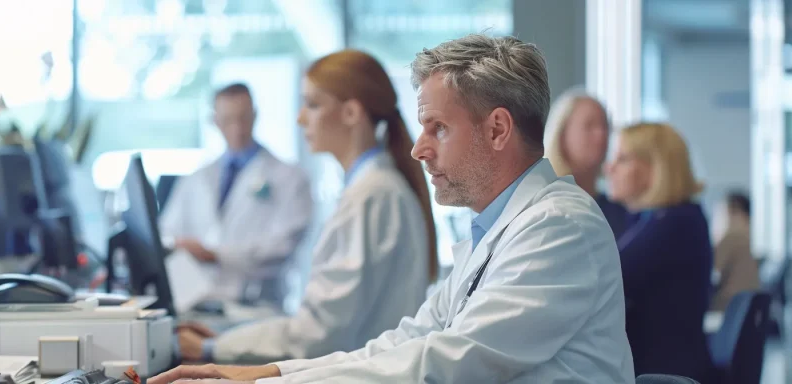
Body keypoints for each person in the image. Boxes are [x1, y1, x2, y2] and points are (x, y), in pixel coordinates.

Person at [151, 33, 634, 384]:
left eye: (438, 128)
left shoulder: (558, 226)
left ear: (498, 130)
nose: (418, 149)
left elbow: (449, 362)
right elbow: (408, 341)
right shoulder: (493, 231)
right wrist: (266, 372)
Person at [172, 49, 439, 366]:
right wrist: (220, 341)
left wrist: (212, 348)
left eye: (312, 104)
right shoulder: (373, 189)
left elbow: (316, 334)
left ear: (351, 113)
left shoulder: (371, 196)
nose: (300, 118)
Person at [159, 83, 314, 310]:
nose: (237, 129)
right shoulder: (196, 178)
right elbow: (167, 234)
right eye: (228, 120)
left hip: (260, 306)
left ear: (255, 116)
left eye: (243, 118)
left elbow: (281, 247)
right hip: (199, 302)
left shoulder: (289, 178)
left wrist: (214, 255)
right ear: (215, 121)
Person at [604, 122, 714, 382]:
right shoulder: (660, 219)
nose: (609, 168)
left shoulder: (675, 222)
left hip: (660, 373)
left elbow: (606, 277)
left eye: (622, 159)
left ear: (656, 167)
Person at [544, 88, 629, 238]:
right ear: (562, 135)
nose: (602, 135)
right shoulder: (544, 204)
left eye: (605, 126)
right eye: (590, 126)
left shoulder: (619, 210)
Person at [711, 191, 760, 311]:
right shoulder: (750, 238)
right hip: (744, 308)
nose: (716, 221)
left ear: (735, 213)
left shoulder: (732, 237)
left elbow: (709, 269)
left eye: (719, 214)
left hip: (727, 307)